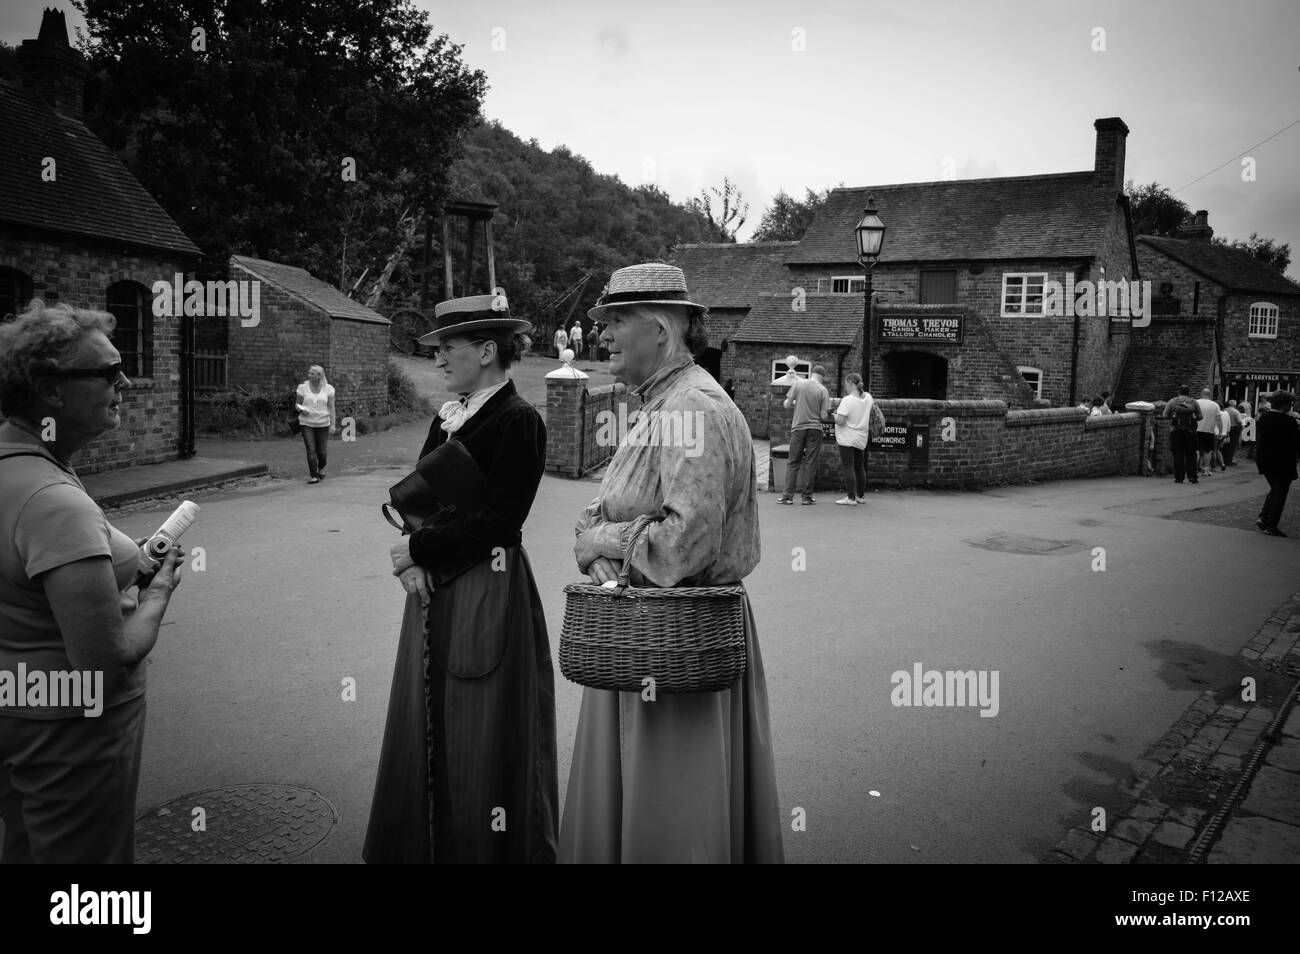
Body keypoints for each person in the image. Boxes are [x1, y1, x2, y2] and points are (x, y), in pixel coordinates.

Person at [561, 262, 783, 863]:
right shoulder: (664, 403)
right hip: (642, 638)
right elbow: (607, 510)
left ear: (660, 328)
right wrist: (599, 540)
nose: (602, 334)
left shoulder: (696, 409)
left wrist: (600, 544)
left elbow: (686, 544)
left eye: (615, 320)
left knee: (673, 818)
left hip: (678, 650)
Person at [364, 295, 557, 864]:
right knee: (426, 719)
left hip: (485, 586)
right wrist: (416, 559)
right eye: (439, 350)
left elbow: (500, 522)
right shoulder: (450, 416)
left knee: (478, 725)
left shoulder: (518, 420)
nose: (440, 359)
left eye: (448, 348)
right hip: (434, 582)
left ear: (488, 350)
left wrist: (415, 549)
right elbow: (423, 498)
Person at [0, 300, 184, 863]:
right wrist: (157, 595)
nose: (124, 381)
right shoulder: (53, 501)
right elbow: (102, 666)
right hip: (69, 734)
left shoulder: (20, 463)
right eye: (107, 373)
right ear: (51, 391)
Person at [779, 365, 830, 505]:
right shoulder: (823, 390)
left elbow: (786, 405)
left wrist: (795, 402)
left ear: (812, 373)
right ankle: (807, 497)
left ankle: (787, 496)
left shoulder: (798, 383)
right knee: (810, 463)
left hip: (798, 428)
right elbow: (824, 415)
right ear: (822, 377)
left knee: (793, 461)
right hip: (815, 429)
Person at [1254, 391, 1300, 536]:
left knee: (1275, 488)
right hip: (1282, 460)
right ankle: (1271, 524)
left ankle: (1264, 516)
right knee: (1280, 491)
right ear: (1285, 405)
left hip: (1264, 458)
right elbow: (1295, 442)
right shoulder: (1288, 421)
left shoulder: (1264, 417)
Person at [833, 372, 872, 506]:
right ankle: (860, 496)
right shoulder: (868, 398)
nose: (845, 387)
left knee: (848, 467)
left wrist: (834, 416)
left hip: (847, 438)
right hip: (861, 437)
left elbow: (841, 421)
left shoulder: (847, 400)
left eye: (845, 384)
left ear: (850, 383)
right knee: (859, 467)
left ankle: (850, 498)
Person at [294, 365, 335, 484]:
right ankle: (313, 475)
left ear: (319, 376)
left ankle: (321, 468)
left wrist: (333, 424)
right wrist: (301, 410)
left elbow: (331, 407)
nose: (309, 375)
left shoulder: (328, 389)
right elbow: (297, 404)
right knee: (311, 449)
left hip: (323, 423)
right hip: (306, 423)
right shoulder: (302, 387)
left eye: (312, 373)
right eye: (309, 373)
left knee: (322, 452)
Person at [1163, 386, 1202, 484]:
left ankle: (1179, 477)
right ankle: (1192, 476)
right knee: (1191, 454)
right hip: (1191, 432)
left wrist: (1173, 418)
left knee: (1178, 454)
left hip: (1176, 431)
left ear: (1178, 392)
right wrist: (1193, 420)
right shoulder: (1194, 402)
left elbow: (1165, 415)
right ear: (1188, 392)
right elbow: (1200, 416)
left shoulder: (1173, 402)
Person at [1194, 388, 1221, 477]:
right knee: (1207, 451)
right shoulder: (1215, 405)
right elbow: (1218, 420)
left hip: (1196, 429)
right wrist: (1220, 431)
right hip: (1209, 431)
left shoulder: (1196, 402)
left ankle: (1194, 467)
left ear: (1201, 393)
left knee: (1195, 450)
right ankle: (1206, 469)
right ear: (1209, 395)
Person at [1225, 399, 1243, 466]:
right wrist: (1241, 428)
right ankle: (1229, 460)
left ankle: (1224, 459)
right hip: (1234, 429)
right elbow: (1239, 421)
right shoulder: (1236, 412)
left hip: (1226, 428)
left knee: (1226, 445)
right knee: (1232, 445)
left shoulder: (1224, 410)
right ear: (1234, 404)